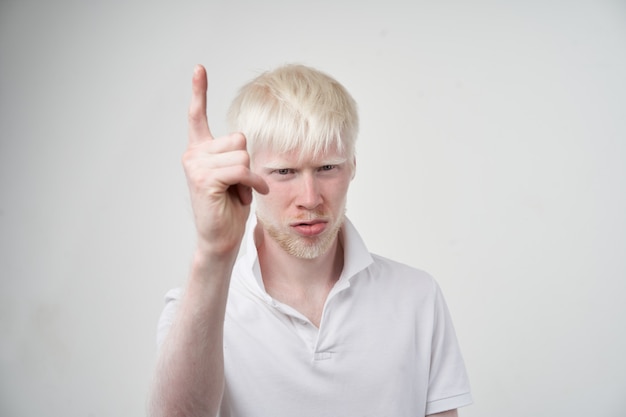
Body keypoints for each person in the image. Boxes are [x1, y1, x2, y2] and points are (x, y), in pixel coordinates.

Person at [149, 64, 472, 417]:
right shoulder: (196, 310)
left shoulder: (417, 296)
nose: (310, 198)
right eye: (284, 171)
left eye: (327, 168)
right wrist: (213, 253)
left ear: (352, 166)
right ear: (246, 177)